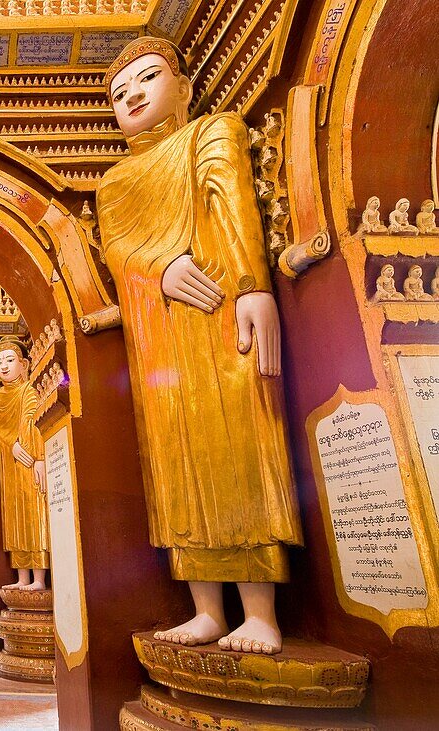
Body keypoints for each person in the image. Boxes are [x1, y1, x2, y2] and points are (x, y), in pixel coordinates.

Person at [96, 37, 303, 655]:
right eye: (118, 91)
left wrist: (252, 287)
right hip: (160, 337)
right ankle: (207, 607)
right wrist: (156, 268)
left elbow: (235, 208)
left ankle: (260, 612)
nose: (132, 94)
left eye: (147, 78)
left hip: (219, 319)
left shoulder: (212, 133)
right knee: (176, 461)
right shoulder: (115, 184)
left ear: (184, 88)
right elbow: (118, 253)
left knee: (240, 445)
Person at [0, 336, 49, 591]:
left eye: (9, 360)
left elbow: (32, 420)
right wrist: (11, 445)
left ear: (24, 364)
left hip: (29, 461)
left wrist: (38, 456)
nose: (3, 366)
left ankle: (39, 579)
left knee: (32, 512)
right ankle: (22, 577)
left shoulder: (29, 391)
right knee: (14, 516)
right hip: (10, 462)